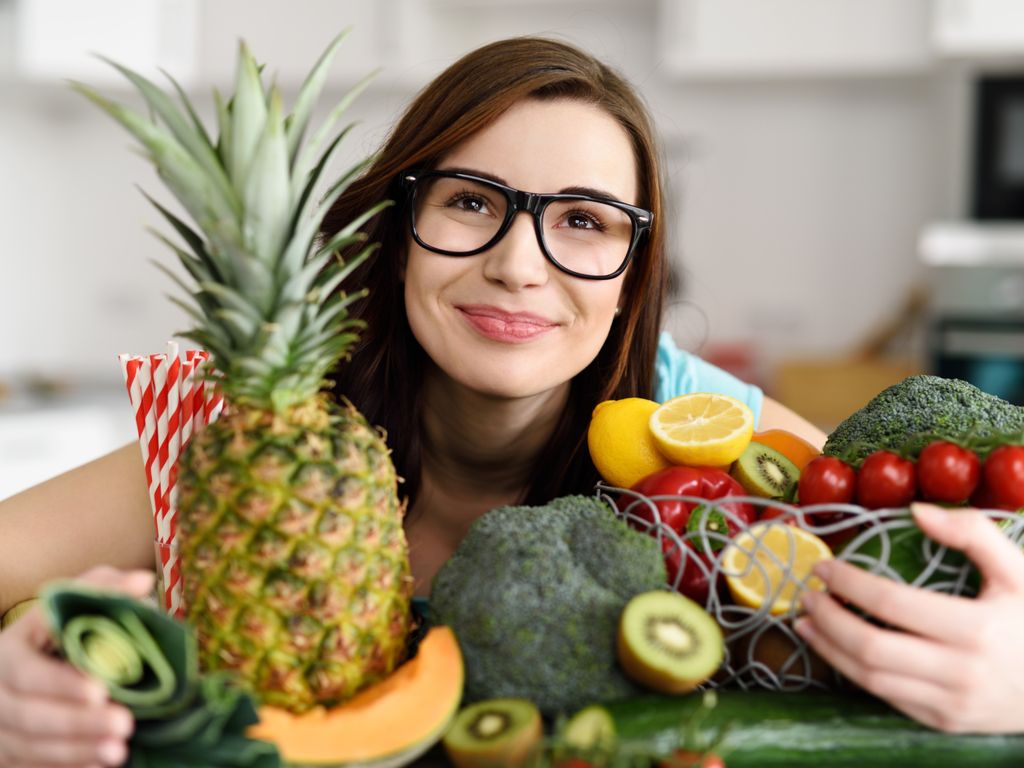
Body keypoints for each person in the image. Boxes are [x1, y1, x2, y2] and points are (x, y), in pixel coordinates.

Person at [0, 36, 1019, 766]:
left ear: (633, 267)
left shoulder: (703, 435)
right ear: (400, 231)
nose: (518, 267)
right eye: (473, 203)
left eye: (582, 220)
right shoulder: (255, 441)